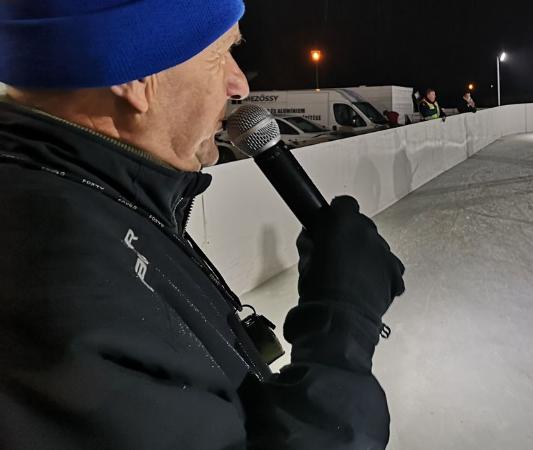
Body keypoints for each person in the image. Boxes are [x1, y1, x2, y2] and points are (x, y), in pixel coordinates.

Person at [0, 2, 405, 449]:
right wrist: (342, 325)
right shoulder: (53, 284)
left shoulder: (99, 195)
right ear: (133, 74)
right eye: (221, 53)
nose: (240, 83)